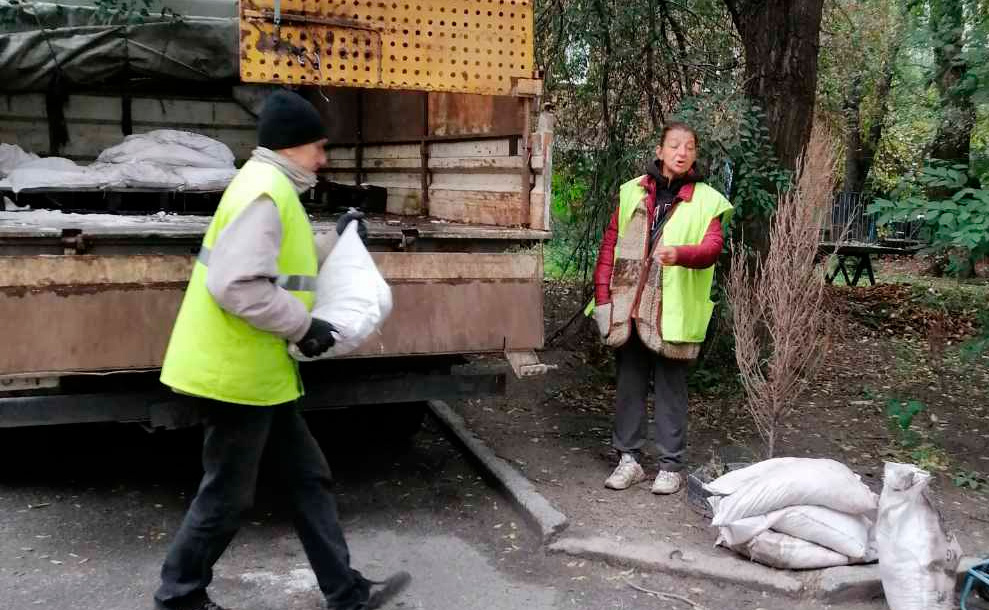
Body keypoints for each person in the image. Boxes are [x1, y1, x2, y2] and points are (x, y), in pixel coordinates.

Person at [153, 90, 410, 610]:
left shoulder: (268, 187)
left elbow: (280, 258)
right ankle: (178, 597)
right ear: (292, 147)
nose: (323, 159)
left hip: (259, 375)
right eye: (318, 147)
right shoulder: (267, 192)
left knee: (307, 478)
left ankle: (347, 593)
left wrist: (334, 240)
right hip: (235, 377)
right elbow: (237, 284)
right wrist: (304, 326)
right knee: (227, 495)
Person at [591, 122, 733, 495]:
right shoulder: (631, 191)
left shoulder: (708, 200)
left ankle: (671, 466)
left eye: (689, 146)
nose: (681, 152)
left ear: (695, 155)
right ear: (660, 150)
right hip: (630, 306)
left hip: (673, 312)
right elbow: (610, 246)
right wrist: (603, 297)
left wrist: (681, 254)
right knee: (629, 384)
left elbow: (712, 249)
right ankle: (629, 460)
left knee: (671, 389)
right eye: (674, 145)